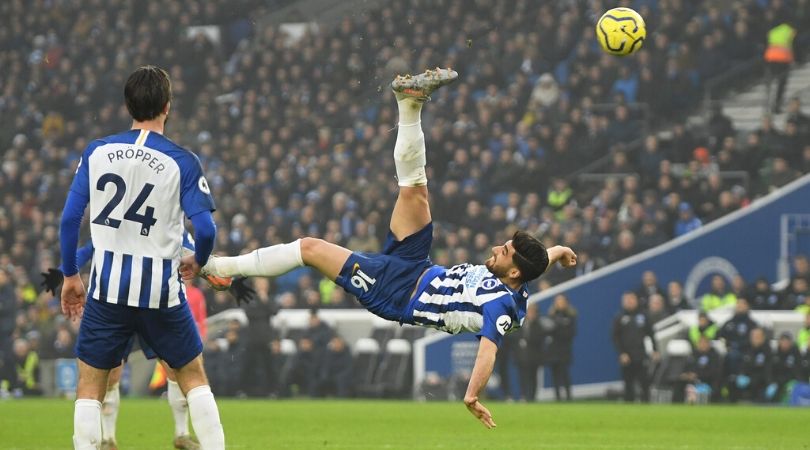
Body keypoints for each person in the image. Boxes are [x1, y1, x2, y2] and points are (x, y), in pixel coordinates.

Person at [183, 69, 578, 428]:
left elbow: (489, 348)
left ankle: (220, 266)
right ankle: (409, 104)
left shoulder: (501, 306)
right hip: (416, 264)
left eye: (505, 252)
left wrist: (472, 394)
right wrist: (557, 250)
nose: (496, 248)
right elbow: (534, 268)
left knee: (310, 248)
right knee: (416, 193)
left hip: (396, 293)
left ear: (513, 272)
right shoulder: (518, 277)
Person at [59, 66, 225, 449]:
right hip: (161, 294)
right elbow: (207, 230)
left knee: (90, 383)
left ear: (127, 105)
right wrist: (199, 260)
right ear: (167, 107)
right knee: (192, 375)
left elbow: (70, 219)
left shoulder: (97, 151)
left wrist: (70, 275)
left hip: (107, 292)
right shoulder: (182, 161)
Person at [612, 292, 658, 403]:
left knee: (644, 383)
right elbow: (615, 338)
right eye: (626, 300)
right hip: (627, 356)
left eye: (631, 299)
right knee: (628, 384)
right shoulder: (620, 317)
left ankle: (646, 406)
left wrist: (655, 350)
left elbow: (651, 334)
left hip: (642, 355)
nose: (629, 302)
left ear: (636, 300)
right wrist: (621, 353)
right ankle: (629, 408)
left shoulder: (643, 316)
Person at [546, 294, 577, 401]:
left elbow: (570, 333)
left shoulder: (570, 316)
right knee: (555, 375)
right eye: (557, 301)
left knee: (565, 374)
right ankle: (558, 397)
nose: (559, 303)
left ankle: (568, 397)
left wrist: (558, 328)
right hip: (553, 350)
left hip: (564, 350)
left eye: (561, 301)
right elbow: (548, 331)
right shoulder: (551, 315)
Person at [513, 303, 545, 402]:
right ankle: (523, 396)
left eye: (532, 311)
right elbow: (514, 336)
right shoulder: (521, 323)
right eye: (529, 311)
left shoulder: (539, 324)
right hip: (521, 356)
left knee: (533, 377)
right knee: (522, 377)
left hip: (534, 356)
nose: (530, 314)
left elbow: (540, 339)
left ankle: (532, 397)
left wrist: (527, 340)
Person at [677, 336, 722, 403]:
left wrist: (697, 375)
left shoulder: (714, 356)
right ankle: (678, 402)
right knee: (679, 382)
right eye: (700, 343)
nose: (702, 345)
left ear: (708, 344)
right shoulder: (693, 355)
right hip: (691, 381)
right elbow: (687, 367)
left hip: (707, 382)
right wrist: (686, 374)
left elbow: (714, 372)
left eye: (704, 343)